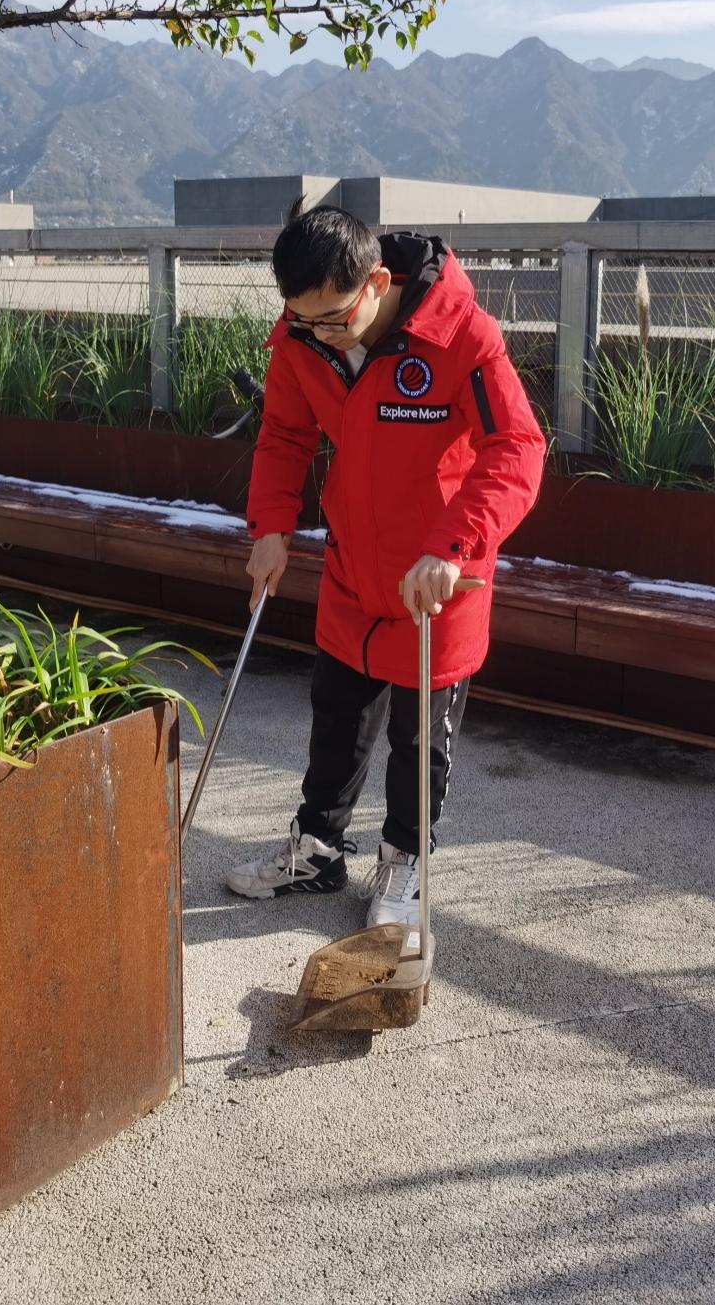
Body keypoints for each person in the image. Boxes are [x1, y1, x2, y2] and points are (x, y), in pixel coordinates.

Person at [226, 204, 546, 935]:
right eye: (302, 320)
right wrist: (271, 528)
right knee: (335, 715)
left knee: (417, 740)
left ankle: (405, 861)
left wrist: (453, 545)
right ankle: (317, 849)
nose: (319, 335)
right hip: (353, 565)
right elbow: (283, 433)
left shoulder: (460, 334)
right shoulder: (302, 335)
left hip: (437, 579)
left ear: (376, 281)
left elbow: (517, 448)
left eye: (333, 319)